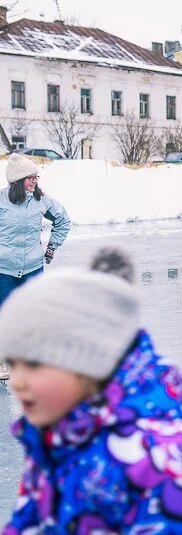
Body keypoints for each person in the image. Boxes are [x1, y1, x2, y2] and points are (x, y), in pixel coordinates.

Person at [0, 248, 182, 535]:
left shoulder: (162, 464)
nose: (16, 381)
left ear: (85, 364)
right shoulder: (53, 441)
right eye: (12, 364)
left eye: (34, 364)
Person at [0, 153, 71, 380]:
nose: (34, 181)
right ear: (17, 180)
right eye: (29, 177)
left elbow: (63, 220)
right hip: (4, 269)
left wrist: (51, 247)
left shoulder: (41, 200)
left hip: (32, 266)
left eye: (36, 177)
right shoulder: (1, 201)